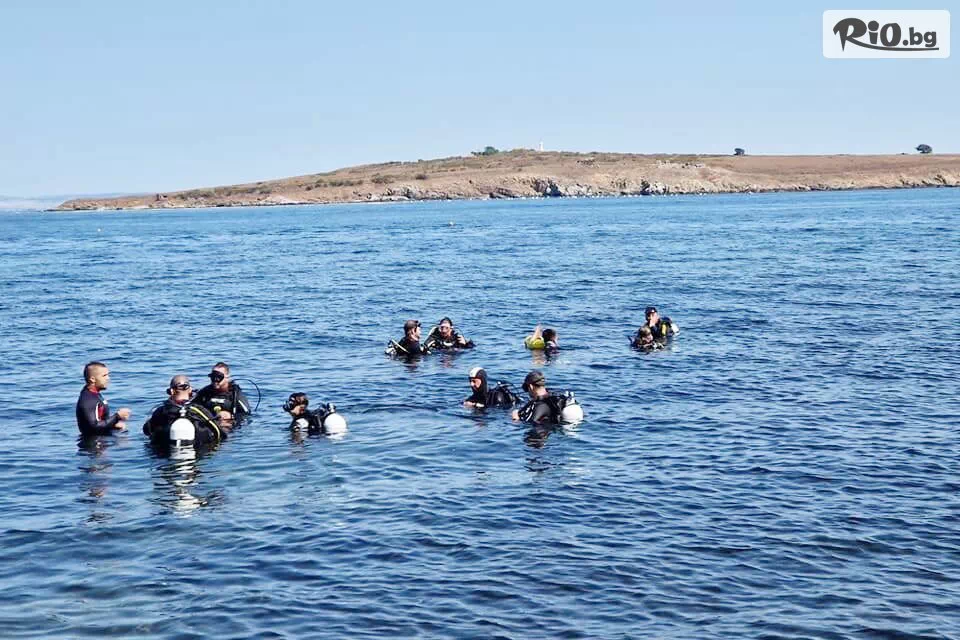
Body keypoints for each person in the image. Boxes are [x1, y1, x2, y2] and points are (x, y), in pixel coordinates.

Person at [142, 375, 225, 446]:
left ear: (171, 391)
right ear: (190, 390)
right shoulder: (199, 410)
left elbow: (147, 430)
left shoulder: (161, 411)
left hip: (165, 452)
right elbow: (219, 433)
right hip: (198, 451)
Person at [76, 361, 131, 436]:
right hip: (93, 442)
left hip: (101, 439)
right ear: (93, 379)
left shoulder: (93, 394)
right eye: (104, 375)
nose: (108, 378)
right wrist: (117, 416)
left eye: (108, 375)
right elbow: (93, 427)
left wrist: (113, 424)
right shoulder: (88, 399)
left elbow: (100, 421)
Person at [193, 362, 250, 427]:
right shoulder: (205, 392)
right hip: (209, 424)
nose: (215, 380)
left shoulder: (235, 394)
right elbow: (192, 406)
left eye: (219, 377)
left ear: (227, 377)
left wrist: (230, 416)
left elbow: (247, 415)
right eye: (213, 377)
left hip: (229, 425)